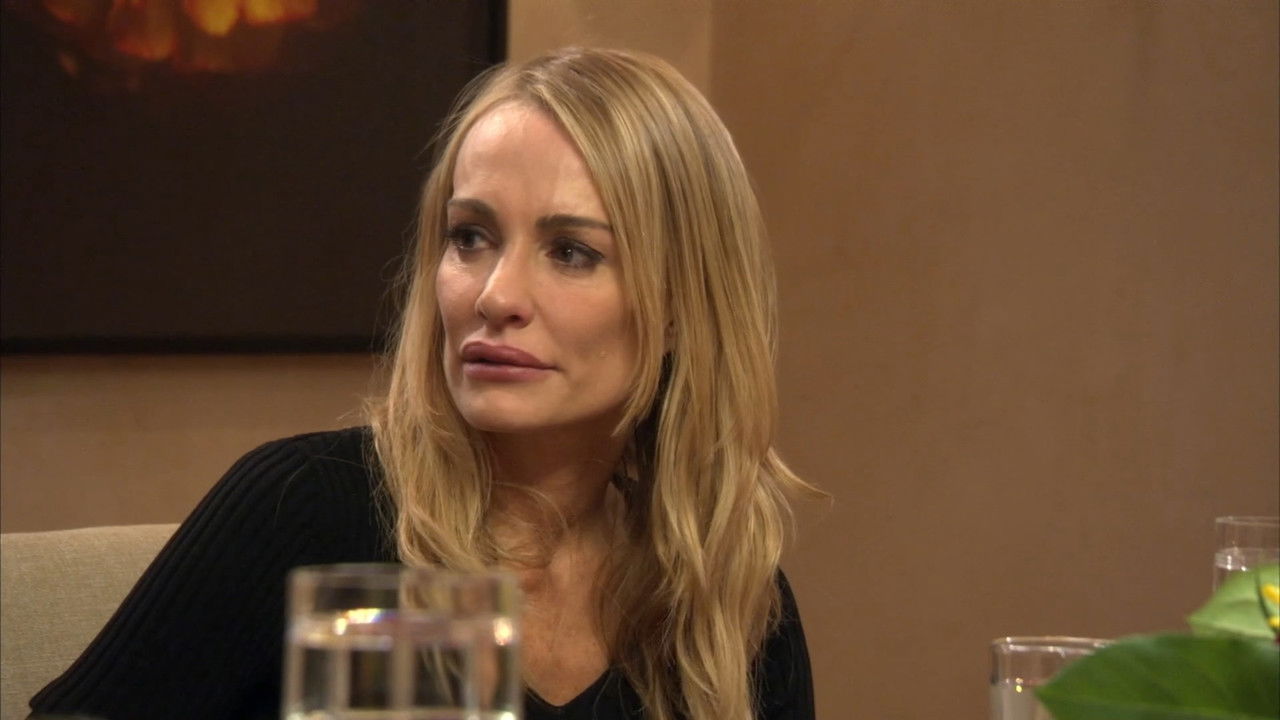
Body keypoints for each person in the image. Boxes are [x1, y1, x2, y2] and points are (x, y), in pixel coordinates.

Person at [30, 47, 820, 720]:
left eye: (572, 252)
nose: (496, 296)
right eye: (470, 237)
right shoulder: (316, 511)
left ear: (682, 307)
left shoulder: (725, 602)